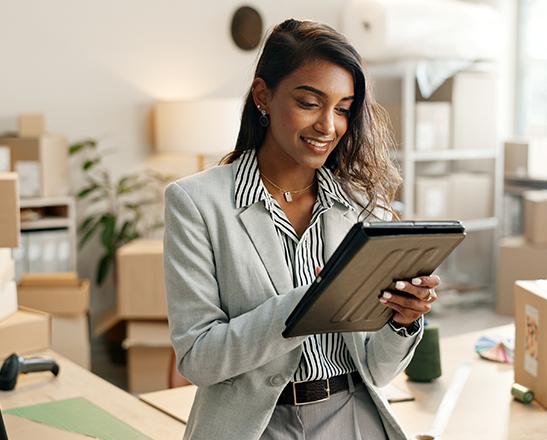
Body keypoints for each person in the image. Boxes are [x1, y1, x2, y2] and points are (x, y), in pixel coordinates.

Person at [163, 18, 440, 440]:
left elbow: (379, 370)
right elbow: (198, 358)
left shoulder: (364, 205)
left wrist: (400, 321)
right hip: (254, 427)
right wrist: (306, 306)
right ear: (263, 96)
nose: (328, 126)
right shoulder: (196, 203)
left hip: (352, 417)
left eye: (343, 109)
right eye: (310, 103)